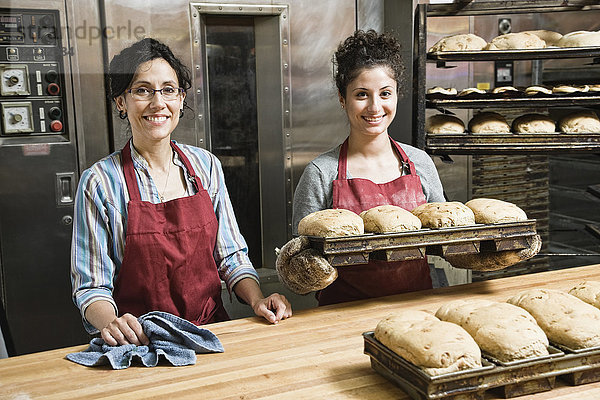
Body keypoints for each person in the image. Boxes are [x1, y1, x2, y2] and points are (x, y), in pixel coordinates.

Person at [71, 38, 291, 346]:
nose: (157, 102)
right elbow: (91, 286)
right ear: (121, 101)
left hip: (209, 335)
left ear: (181, 98)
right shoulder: (100, 182)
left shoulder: (205, 167)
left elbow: (230, 256)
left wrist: (256, 300)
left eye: (168, 89)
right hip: (140, 344)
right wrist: (112, 323)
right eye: (142, 90)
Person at [292, 30, 446, 306]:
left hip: (418, 308)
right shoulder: (320, 173)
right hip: (342, 314)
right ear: (343, 98)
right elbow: (300, 263)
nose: (375, 107)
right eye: (362, 94)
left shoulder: (420, 163)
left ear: (397, 95)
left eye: (385, 93)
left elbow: (445, 239)